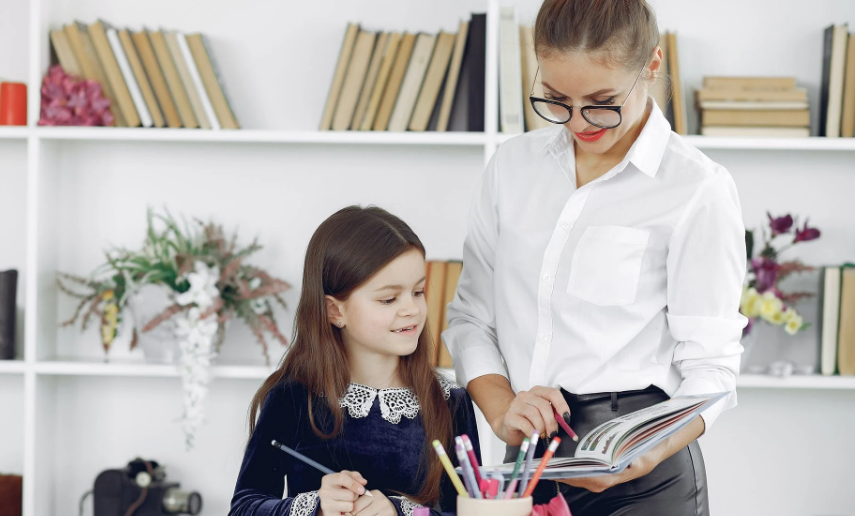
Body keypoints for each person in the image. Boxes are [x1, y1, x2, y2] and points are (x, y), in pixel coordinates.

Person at [443, 1, 747, 514]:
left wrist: (655, 448)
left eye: (602, 101)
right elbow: (472, 317)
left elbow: (713, 367)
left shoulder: (696, 188)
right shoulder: (511, 169)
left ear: (651, 65)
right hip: (528, 463)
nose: (579, 122)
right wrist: (501, 413)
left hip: (641, 468)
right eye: (556, 99)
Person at [230, 206, 480, 516]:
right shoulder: (292, 397)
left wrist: (399, 512)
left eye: (418, 292)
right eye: (388, 299)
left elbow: (472, 512)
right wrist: (315, 507)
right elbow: (244, 507)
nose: (412, 310)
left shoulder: (450, 402)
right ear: (335, 311)